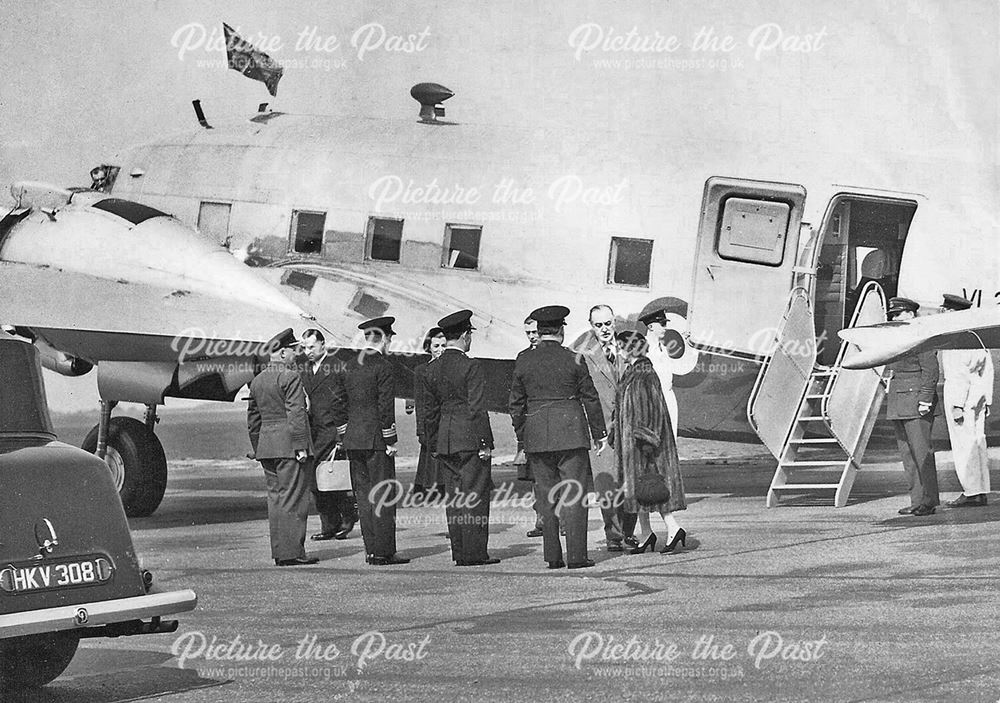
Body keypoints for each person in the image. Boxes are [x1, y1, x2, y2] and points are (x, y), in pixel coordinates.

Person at [509, 305, 608, 569]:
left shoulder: (523, 359)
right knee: (574, 495)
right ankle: (576, 556)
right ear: (561, 330)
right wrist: (599, 433)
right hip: (571, 434)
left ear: (540, 332)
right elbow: (590, 398)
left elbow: (516, 403)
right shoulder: (575, 358)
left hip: (537, 437)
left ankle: (553, 556)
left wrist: (524, 433)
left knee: (547, 496)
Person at [423, 310, 499, 566]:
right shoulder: (471, 366)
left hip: (445, 439)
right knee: (475, 496)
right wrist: (485, 443)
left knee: (454, 498)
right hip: (468, 438)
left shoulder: (432, 368)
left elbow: (430, 412)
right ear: (466, 335)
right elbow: (477, 409)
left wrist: (434, 443)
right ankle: (475, 553)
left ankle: (459, 552)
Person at [332, 316, 410, 565]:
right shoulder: (384, 366)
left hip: (354, 440)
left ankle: (371, 550)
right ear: (385, 338)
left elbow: (338, 405)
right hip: (377, 440)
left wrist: (345, 434)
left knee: (363, 498)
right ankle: (385, 551)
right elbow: (385, 407)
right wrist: (390, 440)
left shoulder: (348, 365)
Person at [247, 329, 318, 566]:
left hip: (268, 448)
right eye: (294, 350)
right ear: (283, 351)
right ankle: (292, 553)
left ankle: (280, 552)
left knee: (275, 499)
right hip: (289, 447)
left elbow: (253, 419)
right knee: (294, 499)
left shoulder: (257, 380)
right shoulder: (290, 377)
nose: (296, 354)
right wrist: (300, 446)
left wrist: (258, 447)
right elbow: (296, 413)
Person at [613, 330, 688, 555]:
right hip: (632, 444)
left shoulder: (645, 372)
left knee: (654, 488)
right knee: (639, 491)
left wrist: (646, 440)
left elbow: (652, 408)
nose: (618, 351)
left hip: (644, 445)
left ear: (630, 348)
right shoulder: (632, 372)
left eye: (620, 346)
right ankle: (646, 534)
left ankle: (674, 529)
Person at [576, 304, 637, 552]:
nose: (604, 329)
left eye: (608, 324)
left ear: (615, 323)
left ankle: (630, 532)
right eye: (598, 325)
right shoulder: (583, 354)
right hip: (600, 430)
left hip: (628, 427)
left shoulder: (629, 349)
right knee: (606, 485)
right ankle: (613, 534)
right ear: (592, 326)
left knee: (630, 483)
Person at [885, 297, 940, 517]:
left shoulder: (921, 337)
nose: (895, 318)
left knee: (922, 453)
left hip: (917, 400)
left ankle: (929, 500)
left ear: (910, 314)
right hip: (899, 401)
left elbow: (931, 371)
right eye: (893, 315)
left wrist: (926, 399)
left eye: (898, 314)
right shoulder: (898, 337)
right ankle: (917, 500)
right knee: (908, 455)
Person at [300, 329, 356, 541]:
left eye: (311, 347)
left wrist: (343, 433)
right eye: (304, 348)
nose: (307, 352)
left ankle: (348, 518)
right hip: (313, 431)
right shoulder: (303, 368)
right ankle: (329, 524)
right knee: (316, 480)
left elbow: (348, 398)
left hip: (333, 429)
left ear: (323, 345)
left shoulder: (338, 365)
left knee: (334, 476)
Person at [938, 293, 993, 507]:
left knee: (963, 445)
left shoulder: (956, 338)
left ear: (951, 312)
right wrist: (987, 398)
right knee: (978, 442)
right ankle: (981, 490)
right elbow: (988, 370)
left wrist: (957, 405)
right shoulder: (976, 336)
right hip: (978, 396)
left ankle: (971, 491)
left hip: (961, 397)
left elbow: (958, 374)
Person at [638, 305, 699, 440]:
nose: (665, 327)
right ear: (651, 327)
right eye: (662, 324)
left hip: (668, 397)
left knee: (670, 439)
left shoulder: (664, 349)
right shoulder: (643, 349)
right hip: (652, 400)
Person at [514, 316, 546, 538]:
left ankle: (561, 520)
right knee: (536, 478)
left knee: (557, 477)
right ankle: (542, 520)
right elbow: (517, 395)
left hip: (550, 422)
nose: (532, 336)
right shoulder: (523, 357)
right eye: (528, 333)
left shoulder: (553, 354)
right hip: (531, 424)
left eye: (535, 331)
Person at [412, 327, 448, 498]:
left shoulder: (450, 369)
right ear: (429, 348)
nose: (440, 350)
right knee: (429, 456)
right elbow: (419, 402)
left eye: (443, 346)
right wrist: (420, 429)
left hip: (447, 420)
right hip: (429, 421)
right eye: (436, 346)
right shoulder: (421, 371)